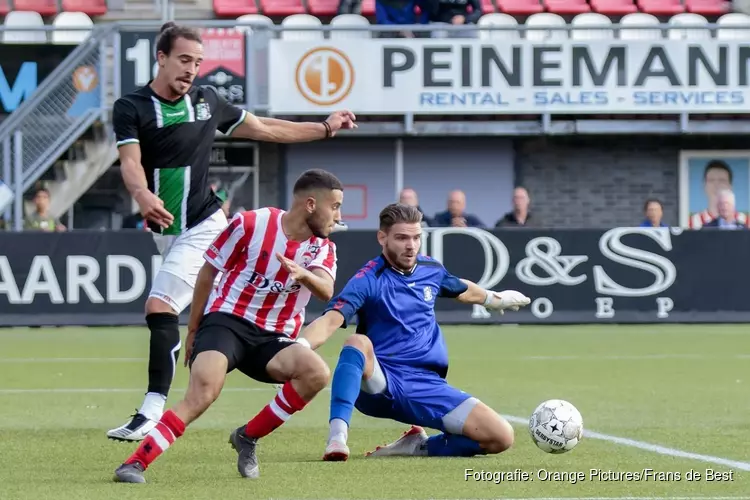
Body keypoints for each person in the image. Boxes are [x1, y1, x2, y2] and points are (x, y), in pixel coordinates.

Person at [106, 21, 356, 442]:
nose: (191, 69)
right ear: (161, 57)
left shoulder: (208, 101)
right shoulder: (132, 107)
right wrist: (142, 195)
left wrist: (325, 128)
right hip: (166, 229)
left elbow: (267, 129)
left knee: (160, 306)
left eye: (198, 62)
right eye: (184, 60)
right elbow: (131, 162)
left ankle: (151, 412)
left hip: (205, 224)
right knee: (179, 307)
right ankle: (266, 342)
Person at [113, 169, 344, 483]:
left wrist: (303, 275)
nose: (339, 216)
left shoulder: (323, 247)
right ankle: (135, 463)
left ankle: (247, 437)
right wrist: (194, 330)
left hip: (273, 338)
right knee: (204, 392)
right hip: (227, 322)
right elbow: (208, 272)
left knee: (317, 373)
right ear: (311, 204)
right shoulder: (250, 223)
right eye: (335, 206)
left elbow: (327, 290)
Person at [293, 203, 530, 462]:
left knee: (501, 437)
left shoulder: (431, 269)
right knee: (357, 342)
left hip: (428, 385)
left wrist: (495, 300)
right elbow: (329, 321)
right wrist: (299, 349)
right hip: (384, 384)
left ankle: (419, 446)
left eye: (416, 237)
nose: (411, 245)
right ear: (382, 238)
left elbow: (461, 289)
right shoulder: (368, 279)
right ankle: (337, 437)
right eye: (402, 238)